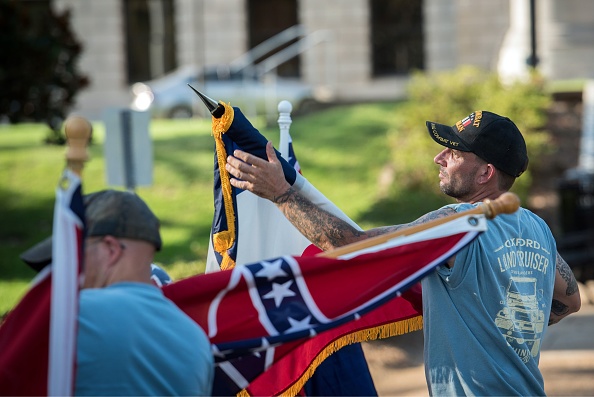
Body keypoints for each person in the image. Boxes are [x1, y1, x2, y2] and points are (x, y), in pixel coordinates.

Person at [224, 110, 582, 396]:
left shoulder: (458, 223)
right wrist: (512, 320)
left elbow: (352, 246)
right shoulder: (535, 227)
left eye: (454, 153)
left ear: (486, 173)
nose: (439, 157)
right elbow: (570, 299)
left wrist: (281, 194)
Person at [20, 189, 214, 396]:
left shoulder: (73, 316)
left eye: (72, 254)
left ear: (111, 249)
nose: (64, 271)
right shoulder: (196, 341)